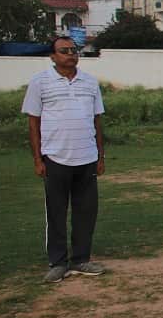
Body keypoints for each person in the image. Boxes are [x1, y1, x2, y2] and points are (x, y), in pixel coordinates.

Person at [22, 35, 107, 283]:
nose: (70, 54)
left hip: (87, 158)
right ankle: (58, 263)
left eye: (73, 49)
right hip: (56, 158)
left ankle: (81, 259)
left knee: (86, 212)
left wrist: (101, 156)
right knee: (56, 212)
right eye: (64, 50)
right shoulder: (40, 82)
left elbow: (97, 121)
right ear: (53, 56)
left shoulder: (90, 82)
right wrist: (38, 159)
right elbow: (33, 122)